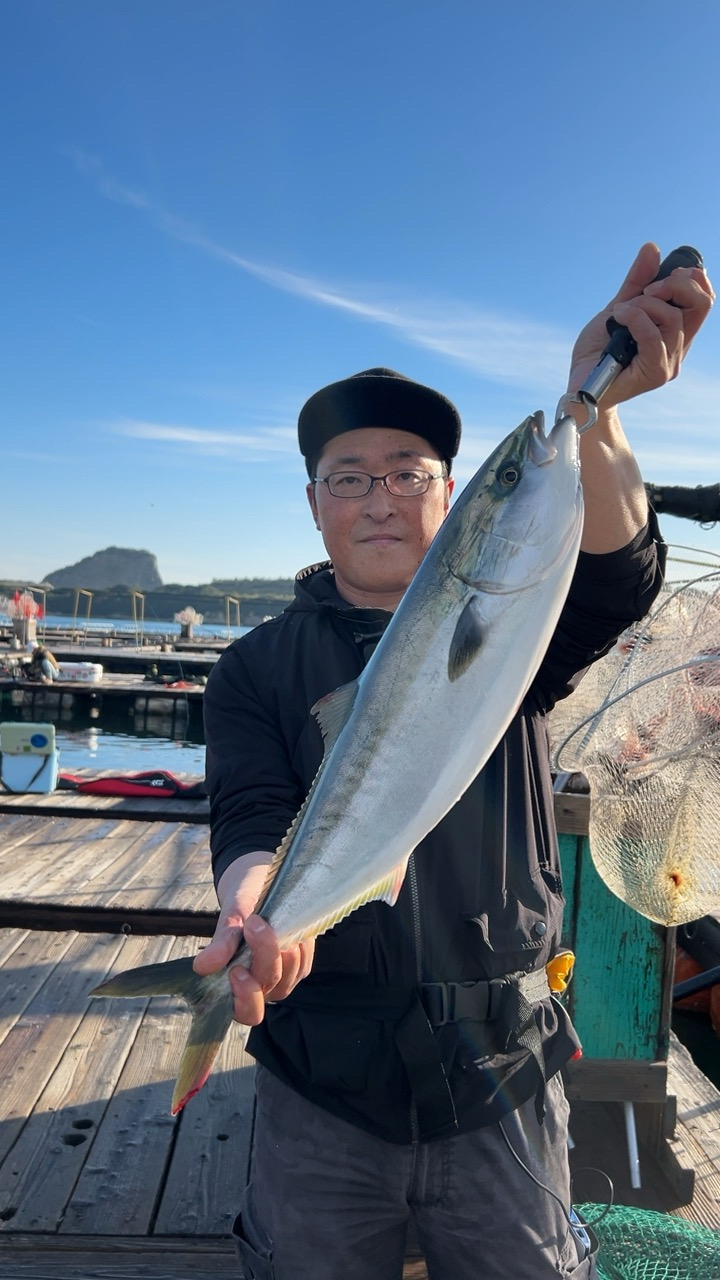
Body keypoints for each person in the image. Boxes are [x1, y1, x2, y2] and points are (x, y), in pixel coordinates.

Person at [198, 244, 713, 1280]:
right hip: (322, 1074)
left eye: (408, 473)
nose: (380, 498)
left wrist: (596, 409)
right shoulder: (255, 666)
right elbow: (251, 812)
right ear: (314, 503)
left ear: (448, 498)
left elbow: (620, 574)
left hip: (502, 1073)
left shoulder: (520, 629)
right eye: (350, 477)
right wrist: (253, 906)